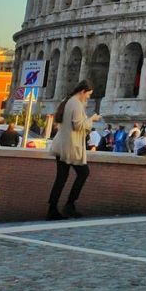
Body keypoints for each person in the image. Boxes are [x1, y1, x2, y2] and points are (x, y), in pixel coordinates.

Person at [47, 80, 100, 220]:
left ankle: (52, 209)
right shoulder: (76, 104)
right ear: (82, 91)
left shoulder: (68, 101)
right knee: (83, 173)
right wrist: (92, 119)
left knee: (61, 178)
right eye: (88, 94)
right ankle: (69, 205)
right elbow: (78, 126)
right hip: (70, 146)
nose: (88, 97)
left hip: (61, 145)